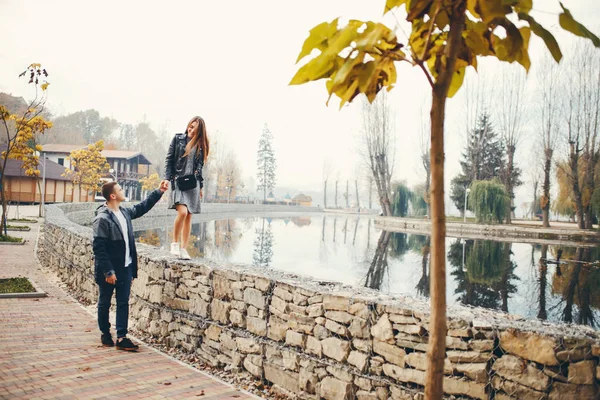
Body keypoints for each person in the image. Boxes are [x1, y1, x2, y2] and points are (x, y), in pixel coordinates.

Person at [93, 180, 168, 350]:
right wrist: (108, 271)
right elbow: (99, 248)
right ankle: (105, 333)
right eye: (119, 189)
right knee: (104, 302)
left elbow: (142, 207)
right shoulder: (102, 219)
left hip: (125, 267)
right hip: (109, 271)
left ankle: (121, 337)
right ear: (113, 196)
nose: (123, 190)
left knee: (123, 302)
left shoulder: (124, 212)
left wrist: (159, 191)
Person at [162, 116, 209, 260]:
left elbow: (199, 168)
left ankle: (184, 249)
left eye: (195, 127)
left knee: (189, 215)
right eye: (190, 125)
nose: (191, 129)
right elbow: (169, 159)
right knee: (182, 212)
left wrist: (200, 186)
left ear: (200, 131)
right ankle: (174, 244)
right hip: (178, 181)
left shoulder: (201, 145)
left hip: (192, 184)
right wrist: (166, 178)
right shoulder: (178, 139)